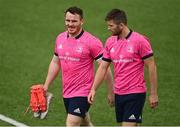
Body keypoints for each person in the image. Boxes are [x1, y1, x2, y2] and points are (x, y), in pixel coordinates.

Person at [43, 6, 113, 126]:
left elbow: (104, 67)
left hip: (83, 92)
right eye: (68, 21)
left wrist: (111, 91)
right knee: (85, 123)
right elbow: (55, 62)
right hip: (67, 92)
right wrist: (46, 86)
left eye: (74, 21)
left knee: (71, 124)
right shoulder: (60, 38)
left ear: (82, 21)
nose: (70, 24)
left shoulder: (92, 42)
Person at [88, 9, 159, 126]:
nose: (108, 28)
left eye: (111, 25)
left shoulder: (140, 41)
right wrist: (94, 89)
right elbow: (103, 67)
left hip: (135, 92)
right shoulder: (110, 42)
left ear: (121, 25)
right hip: (119, 93)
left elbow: (151, 66)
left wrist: (153, 93)